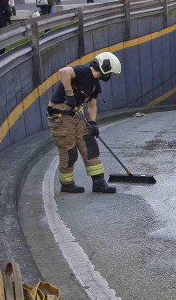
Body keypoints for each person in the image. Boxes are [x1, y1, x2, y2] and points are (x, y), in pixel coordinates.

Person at [46, 52, 121, 194]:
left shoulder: (94, 85)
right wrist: (69, 94)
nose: (109, 76)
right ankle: (67, 184)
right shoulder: (82, 71)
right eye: (110, 72)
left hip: (76, 114)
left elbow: (92, 105)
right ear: (105, 68)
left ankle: (98, 182)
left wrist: (93, 123)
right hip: (61, 115)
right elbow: (64, 72)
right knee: (69, 150)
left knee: (89, 144)